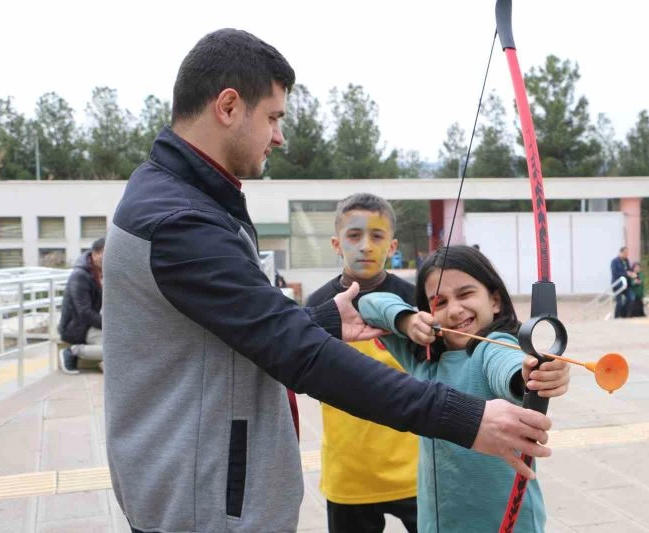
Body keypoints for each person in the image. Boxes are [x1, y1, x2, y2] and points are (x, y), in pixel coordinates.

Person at [103, 28, 554, 533]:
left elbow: (237, 328)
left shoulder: (183, 201)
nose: (279, 136)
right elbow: (302, 356)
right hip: (202, 506)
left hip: (201, 493)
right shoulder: (181, 222)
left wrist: (319, 320)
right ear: (228, 106)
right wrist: (465, 419)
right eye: (273, 117)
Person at [358, 245, 570, 532]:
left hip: (505, 524)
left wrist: (530, 375)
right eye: (439, 302)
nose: (455, 310)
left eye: (466, 294)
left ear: (495, 301)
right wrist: (407, 321)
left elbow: (508, 366)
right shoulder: (422, 358)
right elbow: (368, 303)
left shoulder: (492, 348)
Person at [306, 193, 419, 533]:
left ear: (392, 245)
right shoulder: (317, 306)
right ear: (336, 244)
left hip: (416, 470)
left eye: (377, 236)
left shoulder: (415, 301)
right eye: (354, 235)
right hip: (349, 472)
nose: (366, 246)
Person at [57, 237, 104, 374]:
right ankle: (71, 352)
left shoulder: (100, 272)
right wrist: (109, 325)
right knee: (114, 349)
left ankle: (107, 363)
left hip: (92, 324)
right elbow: (84, 312)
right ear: (95, 254)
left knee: (124, 344)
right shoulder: (80, 276)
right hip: (77, 328)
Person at [610, 246, 634, 318]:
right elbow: (615, 272)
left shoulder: (626, 261)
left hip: (626, 285)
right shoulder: (614, 261)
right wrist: (626, 274)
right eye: (625, 253)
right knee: (619, 302)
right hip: (618, 285)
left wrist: (632, 274)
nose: (627, 255)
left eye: (627, 253)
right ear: (620, 253)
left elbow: (629, 270)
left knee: (630, 299)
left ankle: (626, 316)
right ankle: (616, 317)